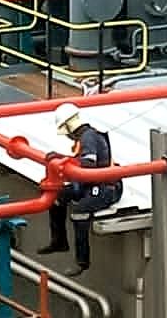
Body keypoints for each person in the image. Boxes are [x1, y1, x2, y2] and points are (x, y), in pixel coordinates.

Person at [40, 102, 123, 272]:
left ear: (69, 126)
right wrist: (60, 158)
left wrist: (66, 167)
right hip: (91, 182)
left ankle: (82, 262)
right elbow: (81, 163)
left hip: (106, 187)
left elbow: (88, 166)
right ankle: (59, 241)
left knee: (79, 212)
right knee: (58, 197)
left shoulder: (88, 138)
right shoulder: (84, 137)